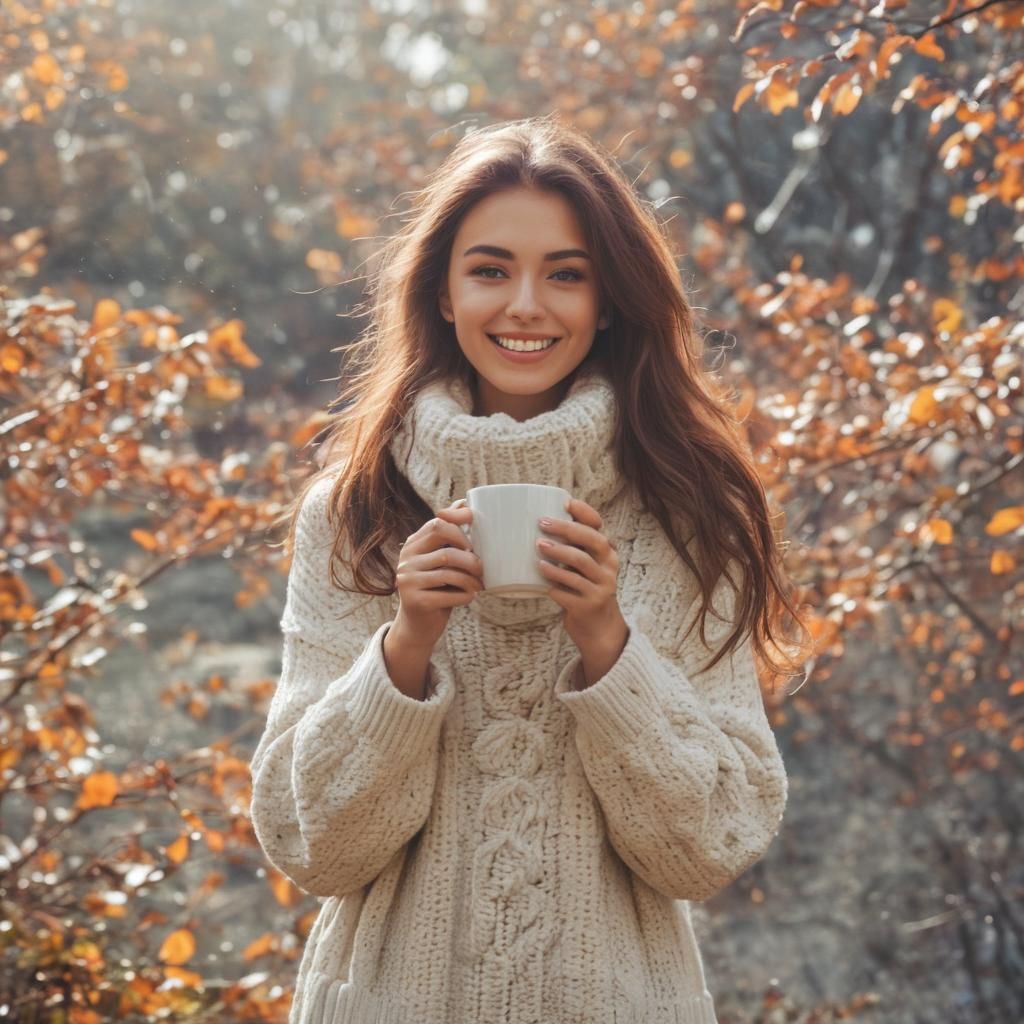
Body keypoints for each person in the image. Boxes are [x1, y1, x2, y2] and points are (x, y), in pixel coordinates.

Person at [249, 113, 809, 1024]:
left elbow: (713, 845)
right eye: (490, 270)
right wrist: (404, 649)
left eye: (566, 275)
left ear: (611, 299)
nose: (524, 306)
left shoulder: (691, 514)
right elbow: (310, 848)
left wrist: (609, 646)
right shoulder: (354, 516)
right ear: (441, 292)